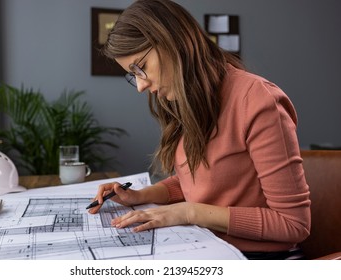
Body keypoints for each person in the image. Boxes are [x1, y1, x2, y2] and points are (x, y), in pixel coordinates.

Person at [88, 0, 311, 260]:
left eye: (141, 67)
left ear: (172, 41)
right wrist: (138, 196)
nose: (140, 86)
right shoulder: (185, 99)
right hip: (206, 245)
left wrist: (187, 212)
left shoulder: (258, 101)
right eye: (132, 75)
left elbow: (294, 224)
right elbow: (196, 181)